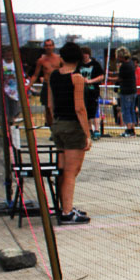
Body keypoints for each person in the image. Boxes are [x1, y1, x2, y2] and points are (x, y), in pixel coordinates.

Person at [46, 42, 92, 225]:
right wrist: (87, 134)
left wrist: (54, 124)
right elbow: (80, 108)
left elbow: (50, 104)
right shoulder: (77, 78)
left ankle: (65, 206)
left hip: (58, 124)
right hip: (72, 126)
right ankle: (67, 212)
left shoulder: (54, 76)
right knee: (71, 172)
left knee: (63, 170)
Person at [77, 47, 105, 139]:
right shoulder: (79, 65)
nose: (84, 55)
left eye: (86, 53)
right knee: (85, 110)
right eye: (83, 54)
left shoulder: (95, 64)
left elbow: (101, 76)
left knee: (95, 110)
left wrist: (90, 81)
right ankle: (89, 129)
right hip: (82, 91)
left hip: (93, 91)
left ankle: (97, 130)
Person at [116, 47, 137, 137]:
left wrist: (109, 78)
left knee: (126, 110)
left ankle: (128, 128)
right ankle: (132, 128)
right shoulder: (131, 63)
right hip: (133, 90)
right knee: (132, 110)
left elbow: (120, 78)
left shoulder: (124, 66)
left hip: (126, 91)